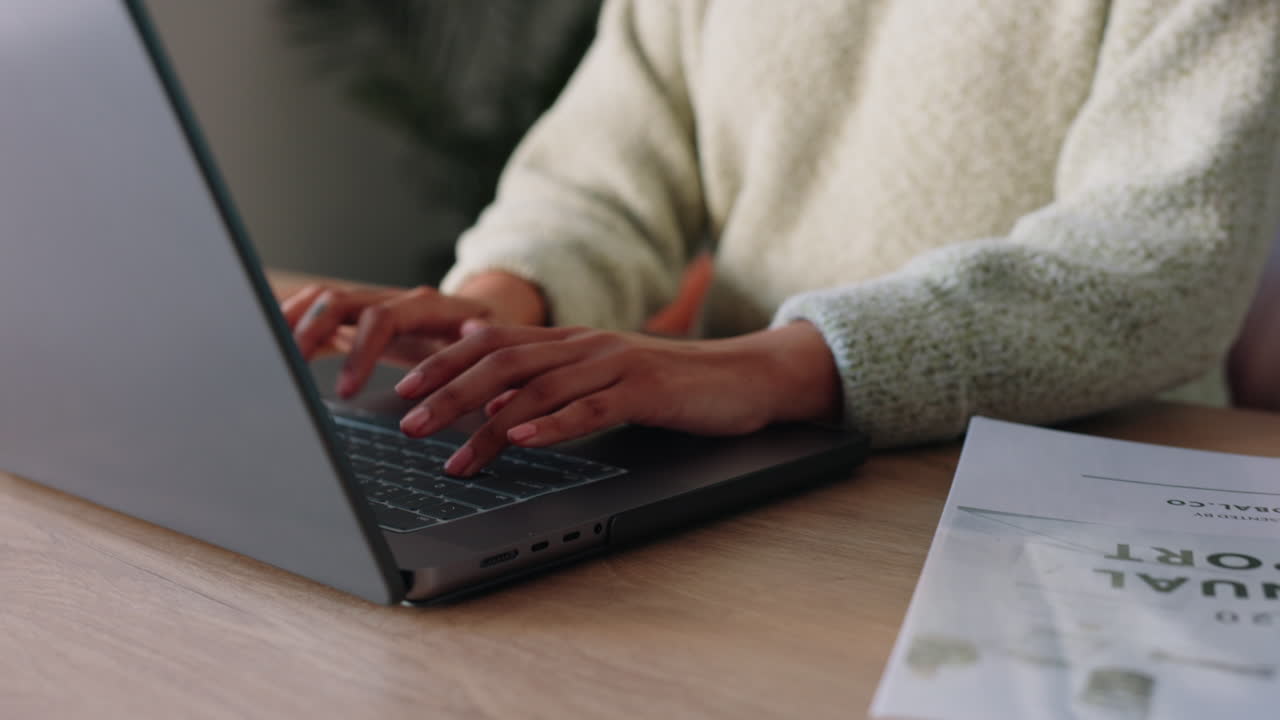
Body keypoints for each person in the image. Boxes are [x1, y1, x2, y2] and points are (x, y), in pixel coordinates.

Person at [284, 0, 1280, 478]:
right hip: (750, 468)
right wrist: (499, 306)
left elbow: (1153, 271)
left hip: (1087, 480)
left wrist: (769, 367)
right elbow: (602, 171)